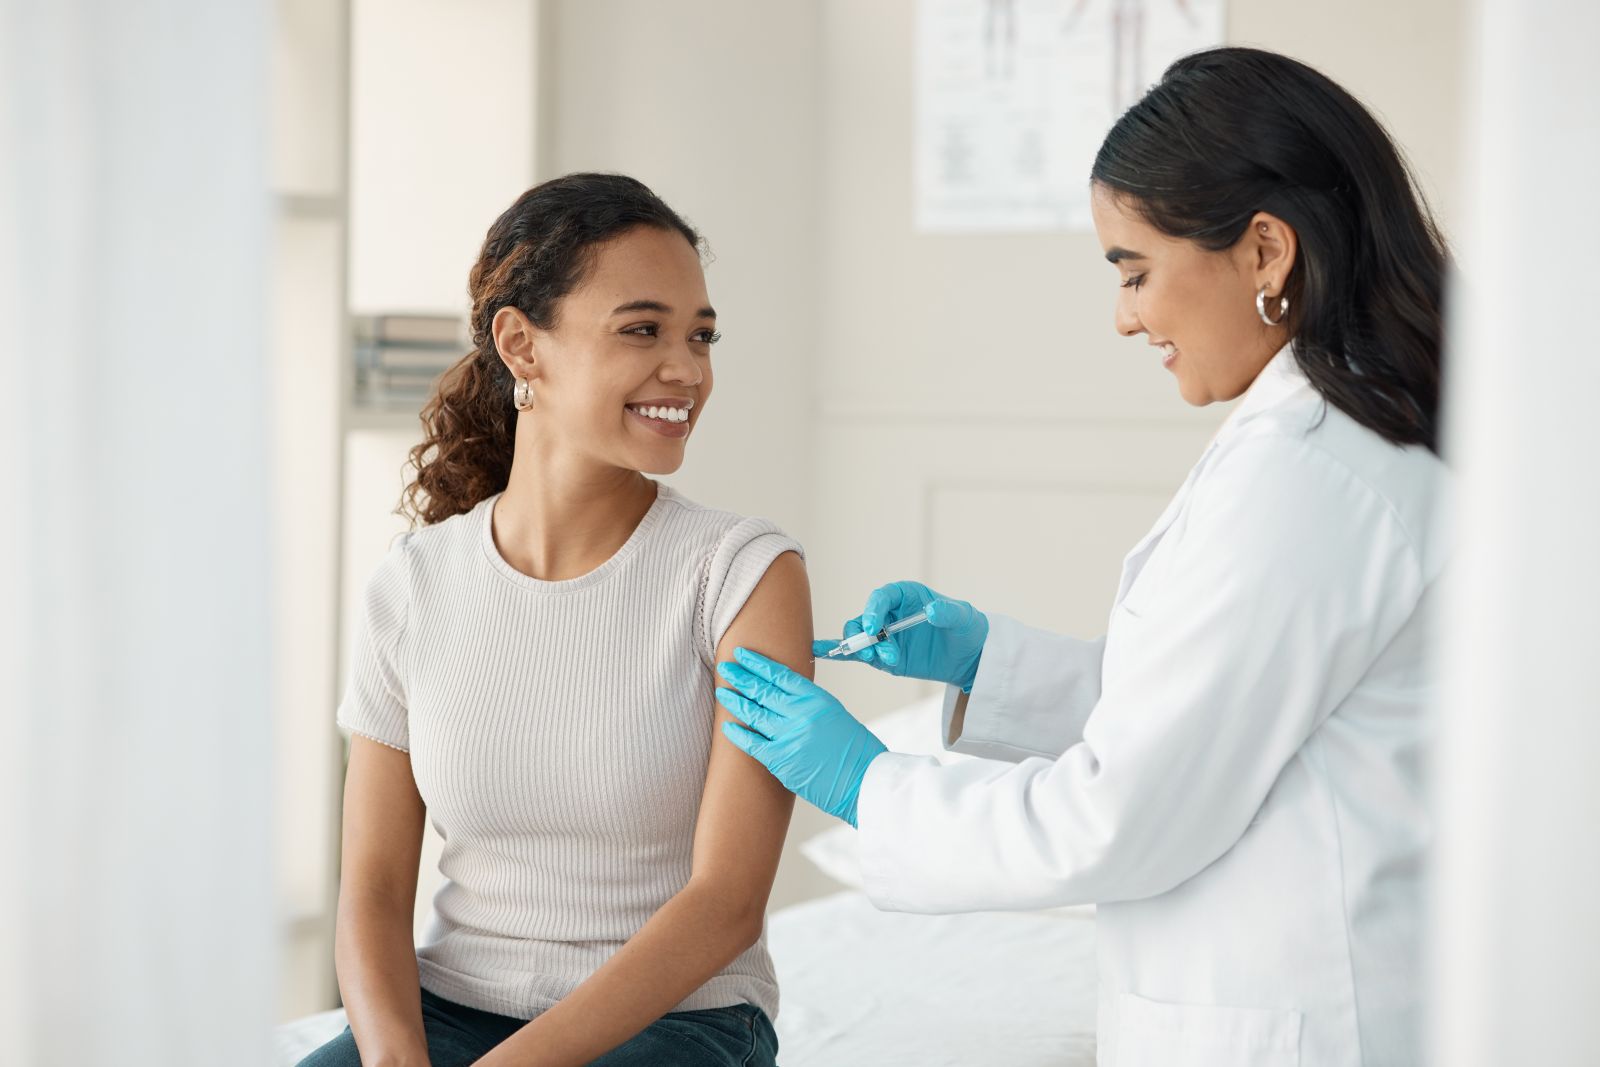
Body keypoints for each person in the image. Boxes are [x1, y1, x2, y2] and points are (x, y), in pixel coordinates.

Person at [718, 47, 1448, 1066]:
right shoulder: (1336, 441)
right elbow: (1215, 706)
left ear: (1265, 252)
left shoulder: (1311, 473)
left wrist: (867, 783)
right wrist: (988, 662)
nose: (1125, 315)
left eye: (1136, 271)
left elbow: (1119, 814)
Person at [299, 174, 808, 1067]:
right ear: (521, 345)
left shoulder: (743, 575)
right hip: (449, 1009)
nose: (687, 369)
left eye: (701, 335)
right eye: (642, 330)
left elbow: (728, 898)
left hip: (679, 1025)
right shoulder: (414, 584)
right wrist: (392, 1059)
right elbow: (373, 889)